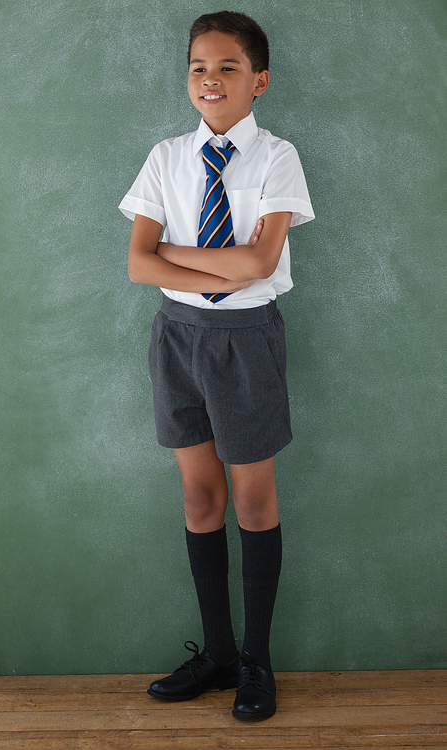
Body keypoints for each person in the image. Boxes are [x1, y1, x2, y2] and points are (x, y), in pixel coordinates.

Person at [119, 11, 314, 721]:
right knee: (201, 499)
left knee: (254, 501)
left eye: (228, 67)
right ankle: (220, 654)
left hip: (246, 342)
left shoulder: (277, 157)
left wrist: (184, 257)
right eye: (199, 66)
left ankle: (258, 661)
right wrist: (217, 264)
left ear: (258, 80)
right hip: (177, 338)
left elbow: (262, 262)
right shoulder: (167, 157)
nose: (211, 78)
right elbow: (140, 263)